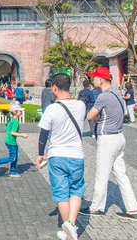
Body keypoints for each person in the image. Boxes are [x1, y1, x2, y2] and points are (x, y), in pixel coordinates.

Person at [81, 66, 137, 221]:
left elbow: (90, 115)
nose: (92, 80)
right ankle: (132, 209)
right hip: (119, 136)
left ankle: (96, 207)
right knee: (121, 173)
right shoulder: (117, 94)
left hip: (107, 138)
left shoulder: (103, 97)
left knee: (102, 173)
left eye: (94, 77)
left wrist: (97, 116)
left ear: (101, 80)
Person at [36, 73, 86, 240]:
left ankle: (68, 229)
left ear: (54, 88)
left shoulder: (52, 109)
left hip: (56, 155)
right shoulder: (81, 106)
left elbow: (43, 135)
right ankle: (71, 224)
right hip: (77, 155)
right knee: (76, 190)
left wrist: (40, 154)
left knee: (61, 194)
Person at [0, 101, 28, 178]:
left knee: (16, 156)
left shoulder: (11, 119)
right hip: (11, 141)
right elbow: (12, 132)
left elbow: (9, 129)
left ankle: (13, 171)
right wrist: (22, 135)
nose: (21, 112)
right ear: (15, 112)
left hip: (9, 140)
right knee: (13, 157)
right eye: (20, 111)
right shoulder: (15, 121)